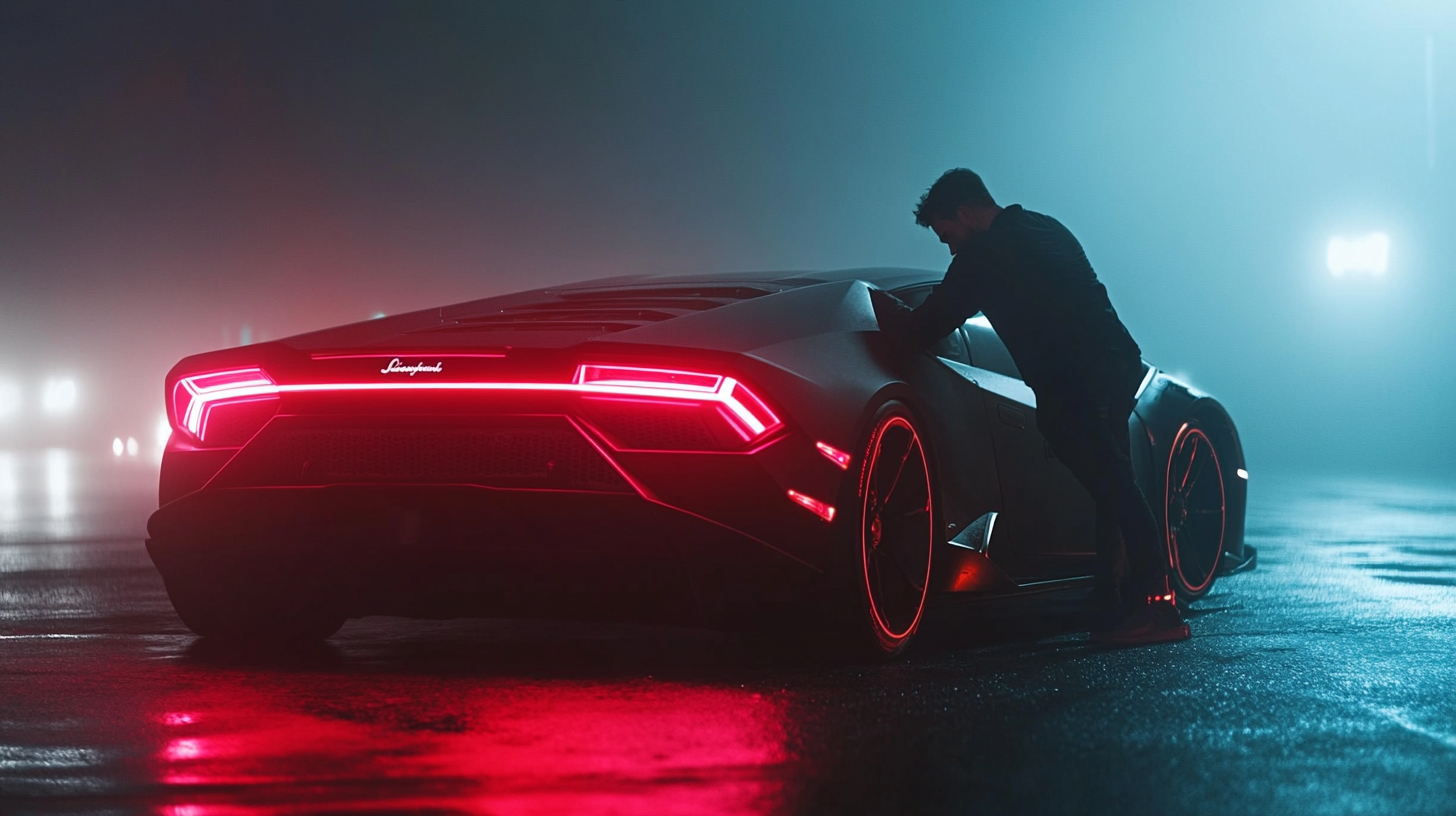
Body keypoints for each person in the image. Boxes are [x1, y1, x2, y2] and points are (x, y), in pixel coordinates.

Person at [872, 168, 1188, 646]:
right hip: (1119, 366)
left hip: (1075, 384)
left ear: (965, 213)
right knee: (1111, 486)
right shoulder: (1046, 226)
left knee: (1116, 487)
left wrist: (873, 307)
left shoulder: (984, 254)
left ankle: (1157, 608)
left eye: (947, 235)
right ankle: (1112, 605)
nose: (951, 247)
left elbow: (928, 325)